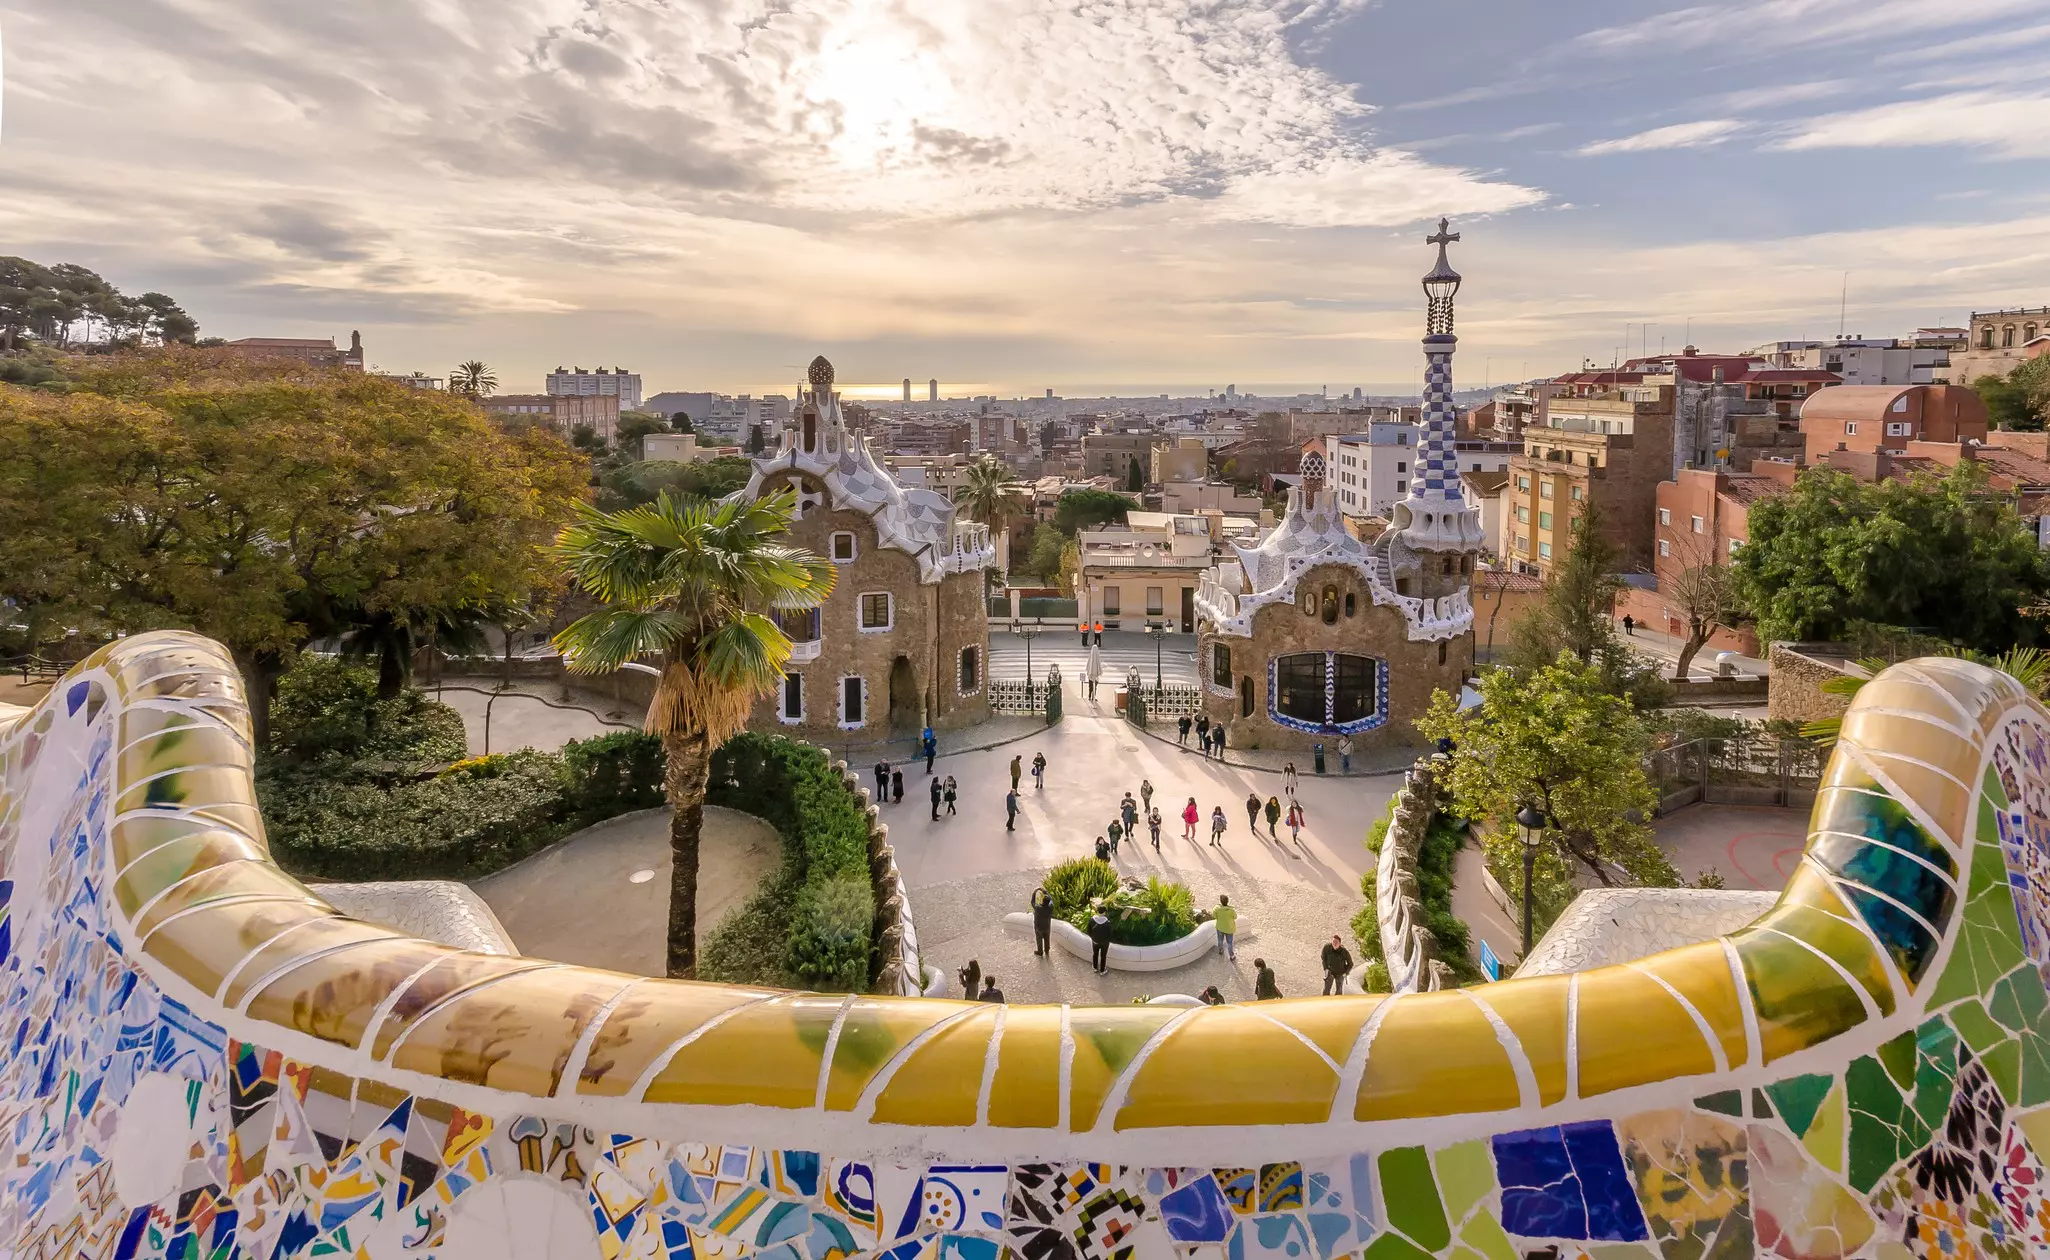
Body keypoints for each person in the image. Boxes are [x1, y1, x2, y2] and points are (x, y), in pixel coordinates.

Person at [1087, 903, 1113, 974]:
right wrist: (1107, 940)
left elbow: (1088, 930)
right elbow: (1110, 934)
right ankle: (1102, 970)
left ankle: (1095, 967)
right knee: (1103, 956)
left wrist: (1093, 938)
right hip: (1104, 943)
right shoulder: (1107, 922)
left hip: (1095, 941)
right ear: (1104, 912)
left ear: (1097, 911)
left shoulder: (1092, 920)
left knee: (1095, 954)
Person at [1030, 887, 1054, 957]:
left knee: (1039, 939)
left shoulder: (1038, 908)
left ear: (1042, 901)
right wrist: (1045, 891)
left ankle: (1040, 951)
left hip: (1039, 927)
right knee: (1047, 938)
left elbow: (1032, 902)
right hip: (1047, 926)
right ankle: (1047, 949)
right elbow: (1051, 899)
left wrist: (1034, 893)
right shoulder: (1050, 907)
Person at [1213, 894, 1237, 959]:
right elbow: (1235, 917)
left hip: (1220, 927)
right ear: (1227, 901)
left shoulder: (1216, 908)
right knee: (1229, 943)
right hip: (1229, 928)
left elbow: (1214, 916)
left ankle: (1220, 950)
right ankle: (1231, 955)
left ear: (1220, 901)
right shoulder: (1231, 910)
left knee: (1220, 940)